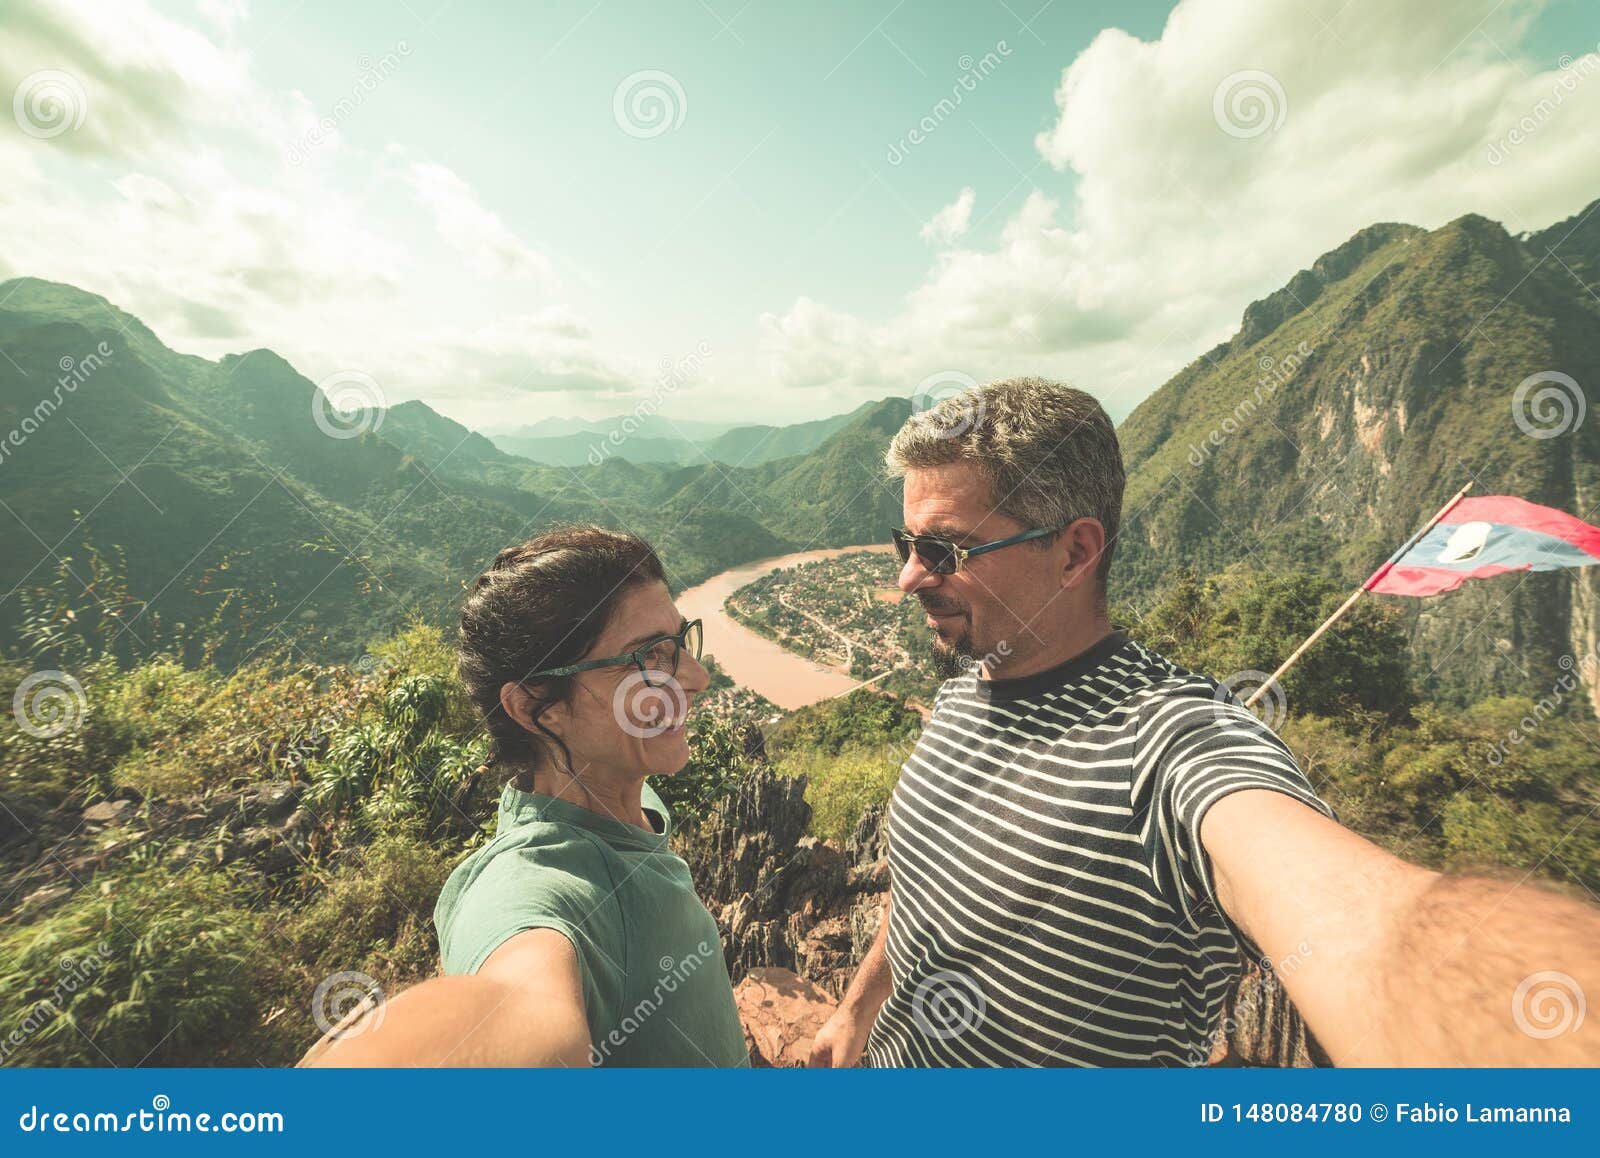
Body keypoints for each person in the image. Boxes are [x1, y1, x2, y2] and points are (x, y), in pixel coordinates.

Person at [810, 377, 1600, 1068]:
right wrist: (857, 1011)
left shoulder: (1173, 743)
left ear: (1075, 552)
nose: (909, 576)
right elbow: (925, 886)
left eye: (945, 550)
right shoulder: (962, 691)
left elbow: (1372, 923)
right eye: (906, 542)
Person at [308, 525, 749, 1067]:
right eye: (647, 659)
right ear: (536, 706)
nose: (698, 677)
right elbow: (523, 1007)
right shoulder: (539, 888)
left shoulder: (629, 798)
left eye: (679, 643)